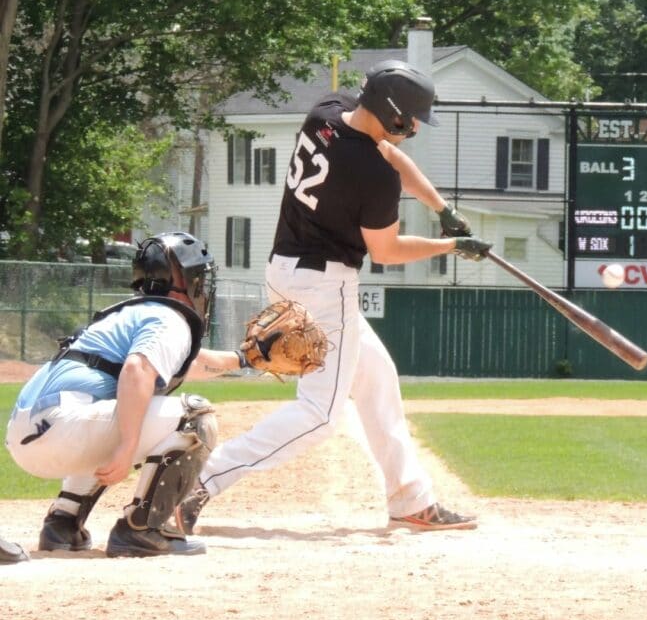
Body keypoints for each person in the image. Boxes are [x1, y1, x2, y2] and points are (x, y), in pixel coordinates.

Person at [176, 59, 491, 534]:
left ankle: (411, 498)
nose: (414, 129)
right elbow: (385, 249)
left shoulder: (326, 112)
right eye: (411, 120)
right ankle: (199, 483)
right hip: (325, 287)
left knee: (377, 380)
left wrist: (441, 208)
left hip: (285, 269)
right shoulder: (370, 174)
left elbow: (386, 153)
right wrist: (451, 244)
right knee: (320, 413)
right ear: (393, 115)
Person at [3, 231, 237, 557]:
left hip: (26, 436)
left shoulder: (130, 315)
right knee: (194, 417)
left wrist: (246, 358)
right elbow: (136, 370)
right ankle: (141, 529)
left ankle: (63, 524)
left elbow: (190, 363)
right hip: (63, 427)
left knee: (120, 408)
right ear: (184, 279)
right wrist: (127, 448)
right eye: (197, 275)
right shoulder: (170, 319)